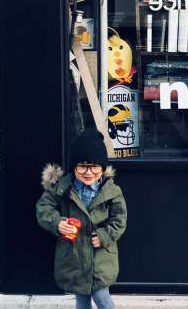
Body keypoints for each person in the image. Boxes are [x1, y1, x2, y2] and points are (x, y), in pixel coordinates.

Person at [36, 129, 127, 309]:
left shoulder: (111, 191)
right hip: (74, 256)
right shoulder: (62, 188)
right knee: (81, 297)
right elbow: (43, 208)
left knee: (101, 296)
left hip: (101, 257)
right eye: (82, 166)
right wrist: (58, 223)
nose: (89, 172)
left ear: (102, 168)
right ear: (74, 167)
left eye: (94, 166)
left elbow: (119, 219)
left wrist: (104, 235)